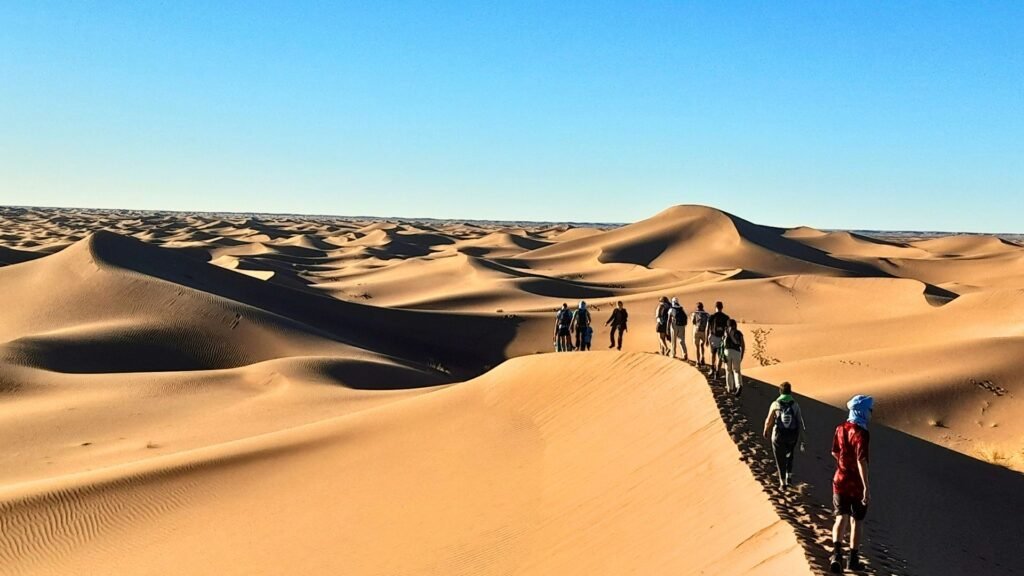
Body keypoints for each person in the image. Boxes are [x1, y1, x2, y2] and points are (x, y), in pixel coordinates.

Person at [829, 395, 874, 573]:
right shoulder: (862, 433)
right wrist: (866, 487)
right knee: (857, 521)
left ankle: (836, 555)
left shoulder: (840, 428)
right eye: (869, 410)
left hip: (840, 480)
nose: (871, 413)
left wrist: (843, 464)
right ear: (862, 411)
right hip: (855, 483)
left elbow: (834, 452)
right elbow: (861, 460)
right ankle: (852, 559)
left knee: (841, 517)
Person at [762, 382, 806, 490]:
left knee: (779, 457)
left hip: (778, 435)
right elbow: (800, 422)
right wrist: (802, 439)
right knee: (789, 454)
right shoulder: (795, 404)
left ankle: (783, 483)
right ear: (790, 391)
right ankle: (789, 476)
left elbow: (769, 420)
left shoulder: (775, 404)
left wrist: (766, 430)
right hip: (792, 436)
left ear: (780, 391)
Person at [706, 302, 731, 380]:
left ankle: (712, 369)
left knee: (713, 354)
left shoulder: (712, 316)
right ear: (722, 307)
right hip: (722, 338)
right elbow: (728, 329)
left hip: (713, 337)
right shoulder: (726, 317)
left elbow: (707, 328)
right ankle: (717, 371)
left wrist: (706, 338)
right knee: (720, 356)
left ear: (715, 307)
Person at [722, 319, 745, 395]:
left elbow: (723, 344)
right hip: (737, 352)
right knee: (737, 371)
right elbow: (742, 345)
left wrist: (722, 354)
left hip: (727, 352)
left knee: (728, 370)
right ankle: (739, 386)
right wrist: (741, 355)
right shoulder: (739, 333)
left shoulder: (726, 332)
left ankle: (730, 388)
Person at [691, 302, 710, 368]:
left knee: (697, 347)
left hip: (696, 331)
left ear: (697, 307)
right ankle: (702, 358)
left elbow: (693, 322)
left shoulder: (694, 313)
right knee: (702, 345)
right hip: (704, 331)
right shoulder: (707, 314)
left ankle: (698, 362)